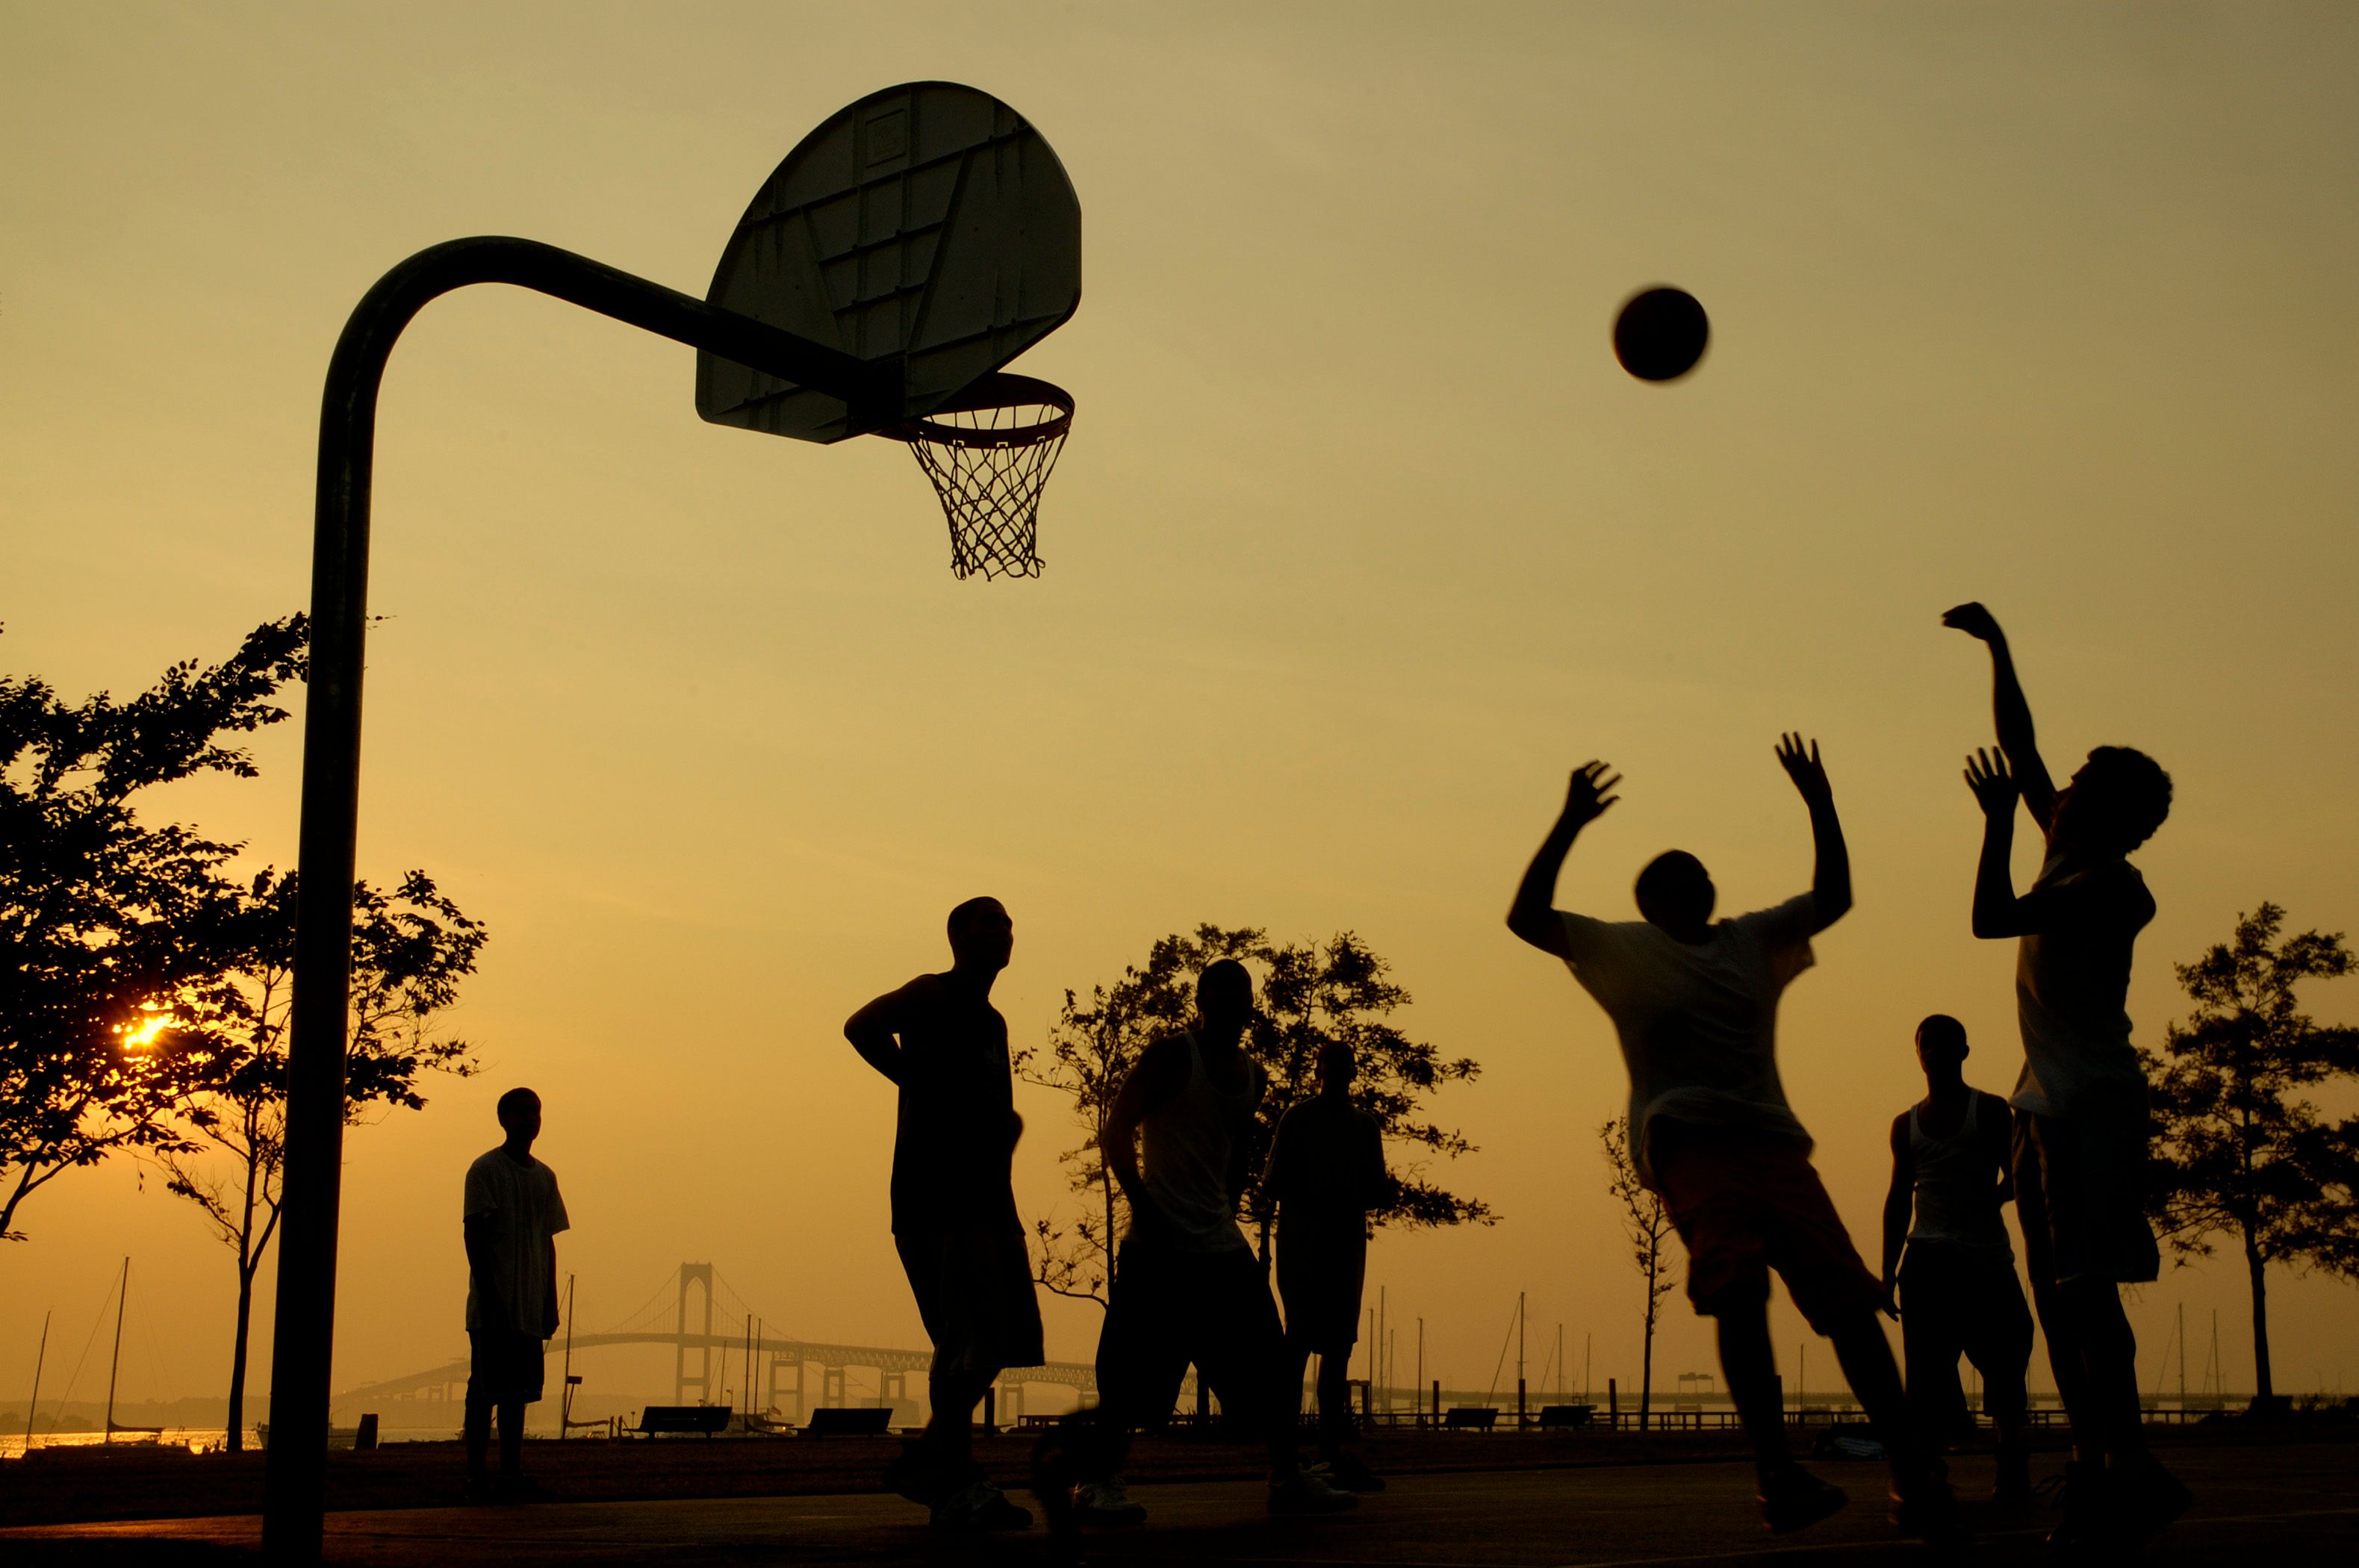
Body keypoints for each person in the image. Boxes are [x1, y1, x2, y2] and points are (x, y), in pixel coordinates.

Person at [1507, 738, 1953, 1540]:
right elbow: (1526, 917)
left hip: (1775, 1148)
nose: (1705, 881)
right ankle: (1776, 1471)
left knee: (1850, 1304)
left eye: (1707, 872)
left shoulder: (1751, 939)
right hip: (1690, 1146)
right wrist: (1569, 822)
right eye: (1687, 876)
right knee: (1738, 1292)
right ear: (1653, 901)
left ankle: (1908, 1463)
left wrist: (1819, 801)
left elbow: (1835, 895)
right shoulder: (1623, 950)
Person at [1946, 601, 2189, 1547]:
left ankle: (2128, 1468)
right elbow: (2021, 741)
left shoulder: (2110, 887)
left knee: (2087, 1292)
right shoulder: (2068, 848)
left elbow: (1989, 918)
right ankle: (2093, 1467)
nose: (2067, 782)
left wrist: (1996, 824)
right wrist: (1999, 646)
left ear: (2113, 811)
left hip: (2093, 1108)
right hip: (2040, 1104)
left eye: (2083, 780)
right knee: (2054, 1297)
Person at [1052, 960, 1357, 1528]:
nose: (1230, 1003)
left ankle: (1286, 1478)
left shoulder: (1253, 1075)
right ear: (1200, 999)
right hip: (1157, 1246)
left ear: (1250, 1006)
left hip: (1219, 1245)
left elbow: (1237, 1146)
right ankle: (1095, 1483)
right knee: (1129, 1376)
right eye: (1219, 992)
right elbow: (1116, 1129)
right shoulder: (1172, 1056)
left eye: (1241, 994)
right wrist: (1144, 1206)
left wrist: (1225, 1204)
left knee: (1270, 1365)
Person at [845, 896, 1042, 1531]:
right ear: (957, 936)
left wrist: (1001, 1144)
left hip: (986, 1196)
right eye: (989, 921)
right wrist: (914, 1081)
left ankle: (934, 1460)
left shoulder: (992, 1022)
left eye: (1008, 923)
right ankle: (954, 1479)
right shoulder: (932, 993)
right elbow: (861, 1027)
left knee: (997, 1341)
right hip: (936, 1194)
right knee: (966, 1340)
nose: (1003, 932)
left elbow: (991, 1106)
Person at [1878, 1014, 2033, 1505]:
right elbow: (1898, 1198)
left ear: (1964, 1052)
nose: (1934, 1055)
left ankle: (2010, 1465)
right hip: (1926, 1258)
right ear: (1916, 1054)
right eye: (1926, 1047)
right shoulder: (1906, 1126)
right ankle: (1928, 1469)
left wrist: (1992, 1200)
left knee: (2007, 1361)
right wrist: (1884, 1271)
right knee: (1924, 1374)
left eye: (1944, 1047)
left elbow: (2018, 1176)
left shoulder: (1987, 1112)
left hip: (1982, 1260)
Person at [1269, 1039, 1390, 1491]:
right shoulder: (1298, 1120)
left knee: (1338, 1350)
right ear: (1318, 1072)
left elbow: (1378, 1191)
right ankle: (1288, 1454)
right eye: (1330, 1067)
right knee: (1298, 1341)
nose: (1338, 1075)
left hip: (1345, 1248)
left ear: (1353, 1074)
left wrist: (1352, 1192)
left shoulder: (1365, 1127)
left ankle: (1328, 1453)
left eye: (1346, 1067)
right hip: (1304, 1244)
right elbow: (1275, 1182)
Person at [463, 1086, 568, 1502]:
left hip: (529, 1304)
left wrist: (549, 1299)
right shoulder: (485, 1170)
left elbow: (549, 1241)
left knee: (517, 1396)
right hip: (493, 1307)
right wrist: (489, 1295)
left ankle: (510, 1474)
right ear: (503, 1119)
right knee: (484, 1392)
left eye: (536, 1112)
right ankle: (475, 1476)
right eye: (522, 1112)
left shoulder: (545, 1177)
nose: (531, 1119)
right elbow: (473, 1234)